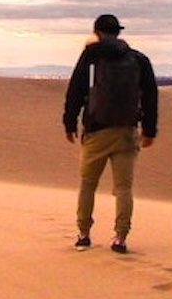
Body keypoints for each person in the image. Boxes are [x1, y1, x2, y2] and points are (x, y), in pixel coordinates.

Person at [62, 14, 158, 253]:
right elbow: (150, 96)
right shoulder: (138, 59)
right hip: (126, 131)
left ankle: (84, 234)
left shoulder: (91, 56)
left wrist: (70, 123)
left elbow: (76, 90)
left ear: (97, 32)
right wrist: (149, 130)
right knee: (124, 188)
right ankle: (120, 238)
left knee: (88, 184)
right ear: (118, 32)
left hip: (96, 131)